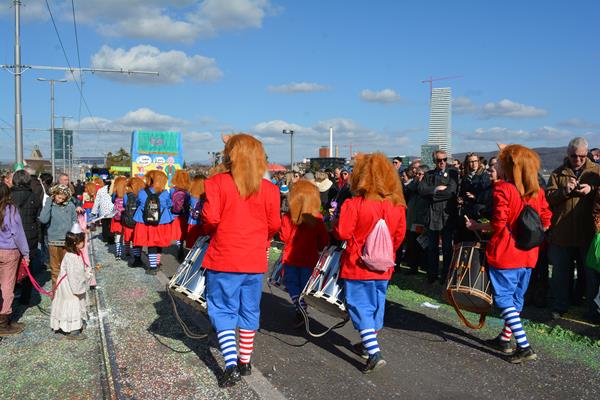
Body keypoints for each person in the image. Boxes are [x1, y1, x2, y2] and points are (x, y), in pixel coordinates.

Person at [201, 134, 280, 387]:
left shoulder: (216, 183)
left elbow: (210, 219)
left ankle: (231, 365)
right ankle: (245, 361)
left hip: (224, 256)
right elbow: (274, 225)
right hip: (254, 258)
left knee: (223, 309)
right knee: (249, 309)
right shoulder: (270, 189)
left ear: (230, 155)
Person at [467, 144, 552, 363]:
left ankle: (524, 346)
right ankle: (505, 339)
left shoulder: (503, 189)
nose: (497, 167)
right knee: (516, 299)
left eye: (501, 164)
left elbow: (498, 224)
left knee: (504, 299)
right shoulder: (537, 191)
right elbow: (546, 220)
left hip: (506, 253)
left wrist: (477, 226)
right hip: (529, 254)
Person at [333, 153, 406, 373]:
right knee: (376, 306)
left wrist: (334, 222)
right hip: (384, 265)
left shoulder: (354, 203)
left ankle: (374, 353)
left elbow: (342, 233)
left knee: (360, 306)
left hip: (357, 264)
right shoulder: (397, 206)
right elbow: (399, 237)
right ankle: (367, 345)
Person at [547, 137, 600, 320]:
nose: (577, 160)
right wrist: (564, 191)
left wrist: (591, 190)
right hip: (562, 232)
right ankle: (560, 305)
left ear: (587, 154)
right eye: (573, 156)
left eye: (582, 156)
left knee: (590, 276)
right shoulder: (557, 173)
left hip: (588, 233)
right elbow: (548, 199)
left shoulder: (596, 172)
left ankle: (591, 310)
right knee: (561, 274)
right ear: (567, 154)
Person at [280, 180, 329, 327]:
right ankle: (301, 307)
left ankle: (300, 307)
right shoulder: (317, 217)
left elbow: (283, 237)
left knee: (292, 284)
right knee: (304, 287)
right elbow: (324, 241)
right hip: (310, 258)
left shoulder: (288, 217)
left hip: (290, 258)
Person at [418, 150, 459, 283]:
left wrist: (432, 195)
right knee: (432, 248)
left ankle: (445, 276)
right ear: (434, 161)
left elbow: (451, 191)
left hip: (447, 215)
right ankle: (432, 275)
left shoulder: (452, 173)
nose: (442, 162)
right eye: (439, 160)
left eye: (444, 159)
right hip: (432, 215)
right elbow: (421, 190)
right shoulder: (429, 174)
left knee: (447, 248)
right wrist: (436, 189)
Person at [50, 229, 92, 340]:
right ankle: (74, 330)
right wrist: (86, 277)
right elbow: (75, 277)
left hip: (66, 283)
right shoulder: (72, 257)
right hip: (70, 286)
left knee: (67, 303)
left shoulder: (73, 253)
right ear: (76, 243)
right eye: (82, 241)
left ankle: (70, 324)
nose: (84, 243)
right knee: (74, 303)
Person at [0, 182, 30, 336]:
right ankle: (3, 322)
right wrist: (26, 253)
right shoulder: (10, 210)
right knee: (7, 286)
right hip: (8, 251)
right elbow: (18, 234)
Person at [10, 170, 42, 306]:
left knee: (10, 268)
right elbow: (38, 218)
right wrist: (39, 236)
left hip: (11, 236)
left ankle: (10, 295)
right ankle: (25, 297)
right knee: (28, 267)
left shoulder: (8, 196)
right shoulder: (34, 197)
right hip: (30, 235)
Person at [133, 170, 174, 275]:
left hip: (144, 221)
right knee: (158, 243)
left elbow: (138, 203)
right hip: (161, 222)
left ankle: (152, 267)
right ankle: (156, 263)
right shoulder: (165, 193)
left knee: (150, 243)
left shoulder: (142, 192)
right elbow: (169, 204)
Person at [39, 184, 77, 287]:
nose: (60, 200)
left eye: (63, 198)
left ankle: (68, 290)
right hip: (53, 241)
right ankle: (56, 292)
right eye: (58, 197)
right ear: (54, 194)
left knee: (68, 268)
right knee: (55, 269)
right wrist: (48, 203)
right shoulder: (50, 205)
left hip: (67, 241)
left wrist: (75, 238)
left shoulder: (70, 206)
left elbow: (74, 221)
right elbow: (43, 219)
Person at [456, 152, 492, 243]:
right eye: (471, 162)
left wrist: (475, 196)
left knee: (478, 239)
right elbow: (462, 192)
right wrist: (461, 198)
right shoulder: (465, 176)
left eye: (476, 161)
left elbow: (487, 194)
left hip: (480, 212)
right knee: (466, 237)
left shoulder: (484, 175)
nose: (474, 163)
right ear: (467, 163)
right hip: (467, 210)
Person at [403, 165, 429, 274]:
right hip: (412, 219)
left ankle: (424, 265)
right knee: (412, 244)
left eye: (420, 174)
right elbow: (408, 190)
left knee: (422, 244)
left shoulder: (427, 187)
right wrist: (416, 181)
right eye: (416, 174)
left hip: (422, 219)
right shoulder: (414, 185)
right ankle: (413, 267)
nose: (417, 176)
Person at [124, 177, 145, 267]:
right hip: (139, 220)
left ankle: (136, 259)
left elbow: (124, 205)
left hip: (129, 221)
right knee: (138, 240)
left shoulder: (127, 195)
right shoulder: (142, 194)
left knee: (133, 240)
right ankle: (139, 257)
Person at [170, 170, 191, 261]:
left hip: (175, 215)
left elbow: (170, 202)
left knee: (178, 233)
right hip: (185, 215)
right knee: (183, 232)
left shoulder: (172, 190)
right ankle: (182, 245)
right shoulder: (188, 190)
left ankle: (179, 246)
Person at [91, 178, 115, 244]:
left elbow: (97, 201)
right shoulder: (113, 189)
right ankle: (111, 239)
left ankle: (105, 238)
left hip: (103, 210)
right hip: (112, 210)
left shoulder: (100, 190)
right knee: (111, 225)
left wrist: (94, 211)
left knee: (105, 225)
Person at [185, 175, 206, 249]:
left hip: (193, 223)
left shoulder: (192, 198)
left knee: (192, 246)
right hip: (202, 223)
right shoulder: (206, 198)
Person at [110, 176, 127, 260]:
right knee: (125, 235)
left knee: (118, 236)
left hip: (116, 218)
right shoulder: (127, 193)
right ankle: (127, 251)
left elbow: (112, 200)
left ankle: (118, 254)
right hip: (125, 217)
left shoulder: (115, 194)